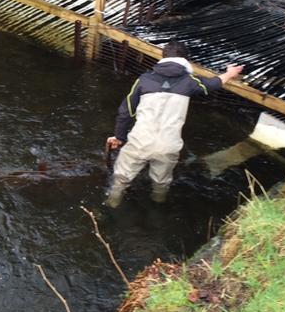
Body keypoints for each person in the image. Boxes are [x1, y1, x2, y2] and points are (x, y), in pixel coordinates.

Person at [104, 41, 243, 207]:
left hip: (139, 141)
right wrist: (229, 73)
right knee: (161, 183)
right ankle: (157, 210)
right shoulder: (190, 82)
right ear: (186, 60)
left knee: (121, 180)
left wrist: (119, 137)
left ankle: (112, 206)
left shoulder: (144, 80)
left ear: (163, 57)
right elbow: (213, 84)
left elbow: (125, 111)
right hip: (169, 145)